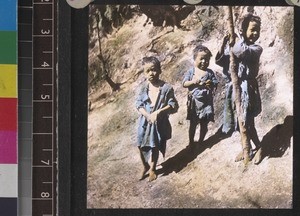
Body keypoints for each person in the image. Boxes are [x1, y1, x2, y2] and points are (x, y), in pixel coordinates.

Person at [215, 13, 263, 163]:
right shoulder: (235, 45)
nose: (255, 33)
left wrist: (234, 41)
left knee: (247, 121)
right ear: (242, 31)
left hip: (247, 88)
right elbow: (222, 61)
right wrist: (224, 45)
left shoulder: (255, 49)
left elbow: (242, 52)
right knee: (239, 121)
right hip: (235, 88)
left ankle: (259, 147)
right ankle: (245, 147)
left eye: (257, 30)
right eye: (252, 29)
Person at [136, 56, 178, 181]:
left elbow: (173, 105)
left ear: (159, 70)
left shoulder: (166, 88)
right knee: (140, 143)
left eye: (153, 70)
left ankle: (153, 169)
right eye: (147, 71)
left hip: (159, 122)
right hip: (145, 121)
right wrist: (147, 115)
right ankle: (145, 166)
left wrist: (158, 112)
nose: (151, 74)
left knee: (155, 144)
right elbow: (138, 104)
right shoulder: (144, 87)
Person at [182, 45, 218, 147]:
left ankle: (201, 141)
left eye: (207, 59)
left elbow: (215, 83)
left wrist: (210, 83)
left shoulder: (209, 72)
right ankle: (191, 142)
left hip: (206, 102)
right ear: (195, 59)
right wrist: (193, 82)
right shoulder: (191, 71)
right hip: (194, 103)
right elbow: (184, 83)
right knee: (193, 124)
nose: (204, 62)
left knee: (204, 123)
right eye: (201, 59)